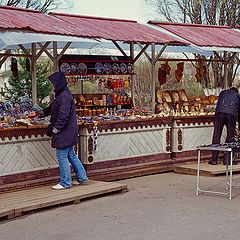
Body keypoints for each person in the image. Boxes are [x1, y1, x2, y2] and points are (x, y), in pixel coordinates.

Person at [43, 71, 88, 190]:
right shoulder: (63, 94)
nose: (52, 86)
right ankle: (82, 177)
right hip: (69, 131)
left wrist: (56, 129)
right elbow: (53, 108)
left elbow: (63, 116)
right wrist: (42, 112)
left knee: (62, 156)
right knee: (71, 155)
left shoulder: (63, 96)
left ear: (58, 83)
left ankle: (65, 182)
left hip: (64, 132)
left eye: (53, 83)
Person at [208, 87, 240, 165]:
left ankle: (214, 159)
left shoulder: (222, 93)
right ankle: (227, 159)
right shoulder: (238, 96)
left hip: (219, 114)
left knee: (217, 135)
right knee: (230, 136)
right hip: (231, 115)